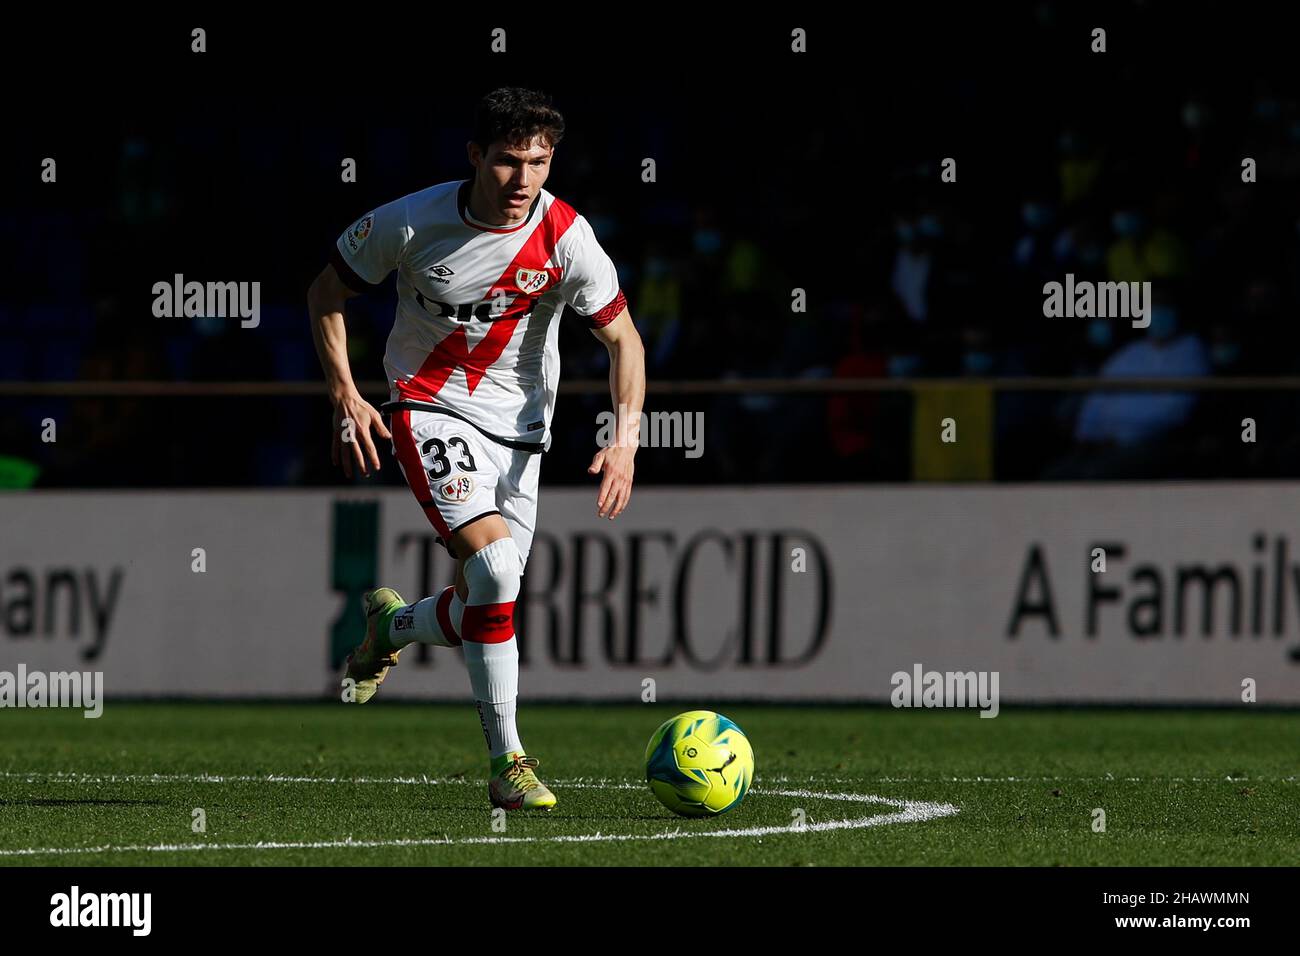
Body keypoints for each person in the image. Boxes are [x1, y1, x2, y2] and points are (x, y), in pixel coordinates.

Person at [307, 88, 646, 810]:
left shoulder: (566, 238)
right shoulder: (408, 222)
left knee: (487, 598)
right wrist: (345, 391)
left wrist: (625, 440)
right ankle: (508, 765)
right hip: (426, 406)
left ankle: (391, 627)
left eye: (539, 162)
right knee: (491, 567)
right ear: (475, 156)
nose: (523, 180)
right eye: (507, 161)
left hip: (521, 436)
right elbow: (326, 293)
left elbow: (624, 339)